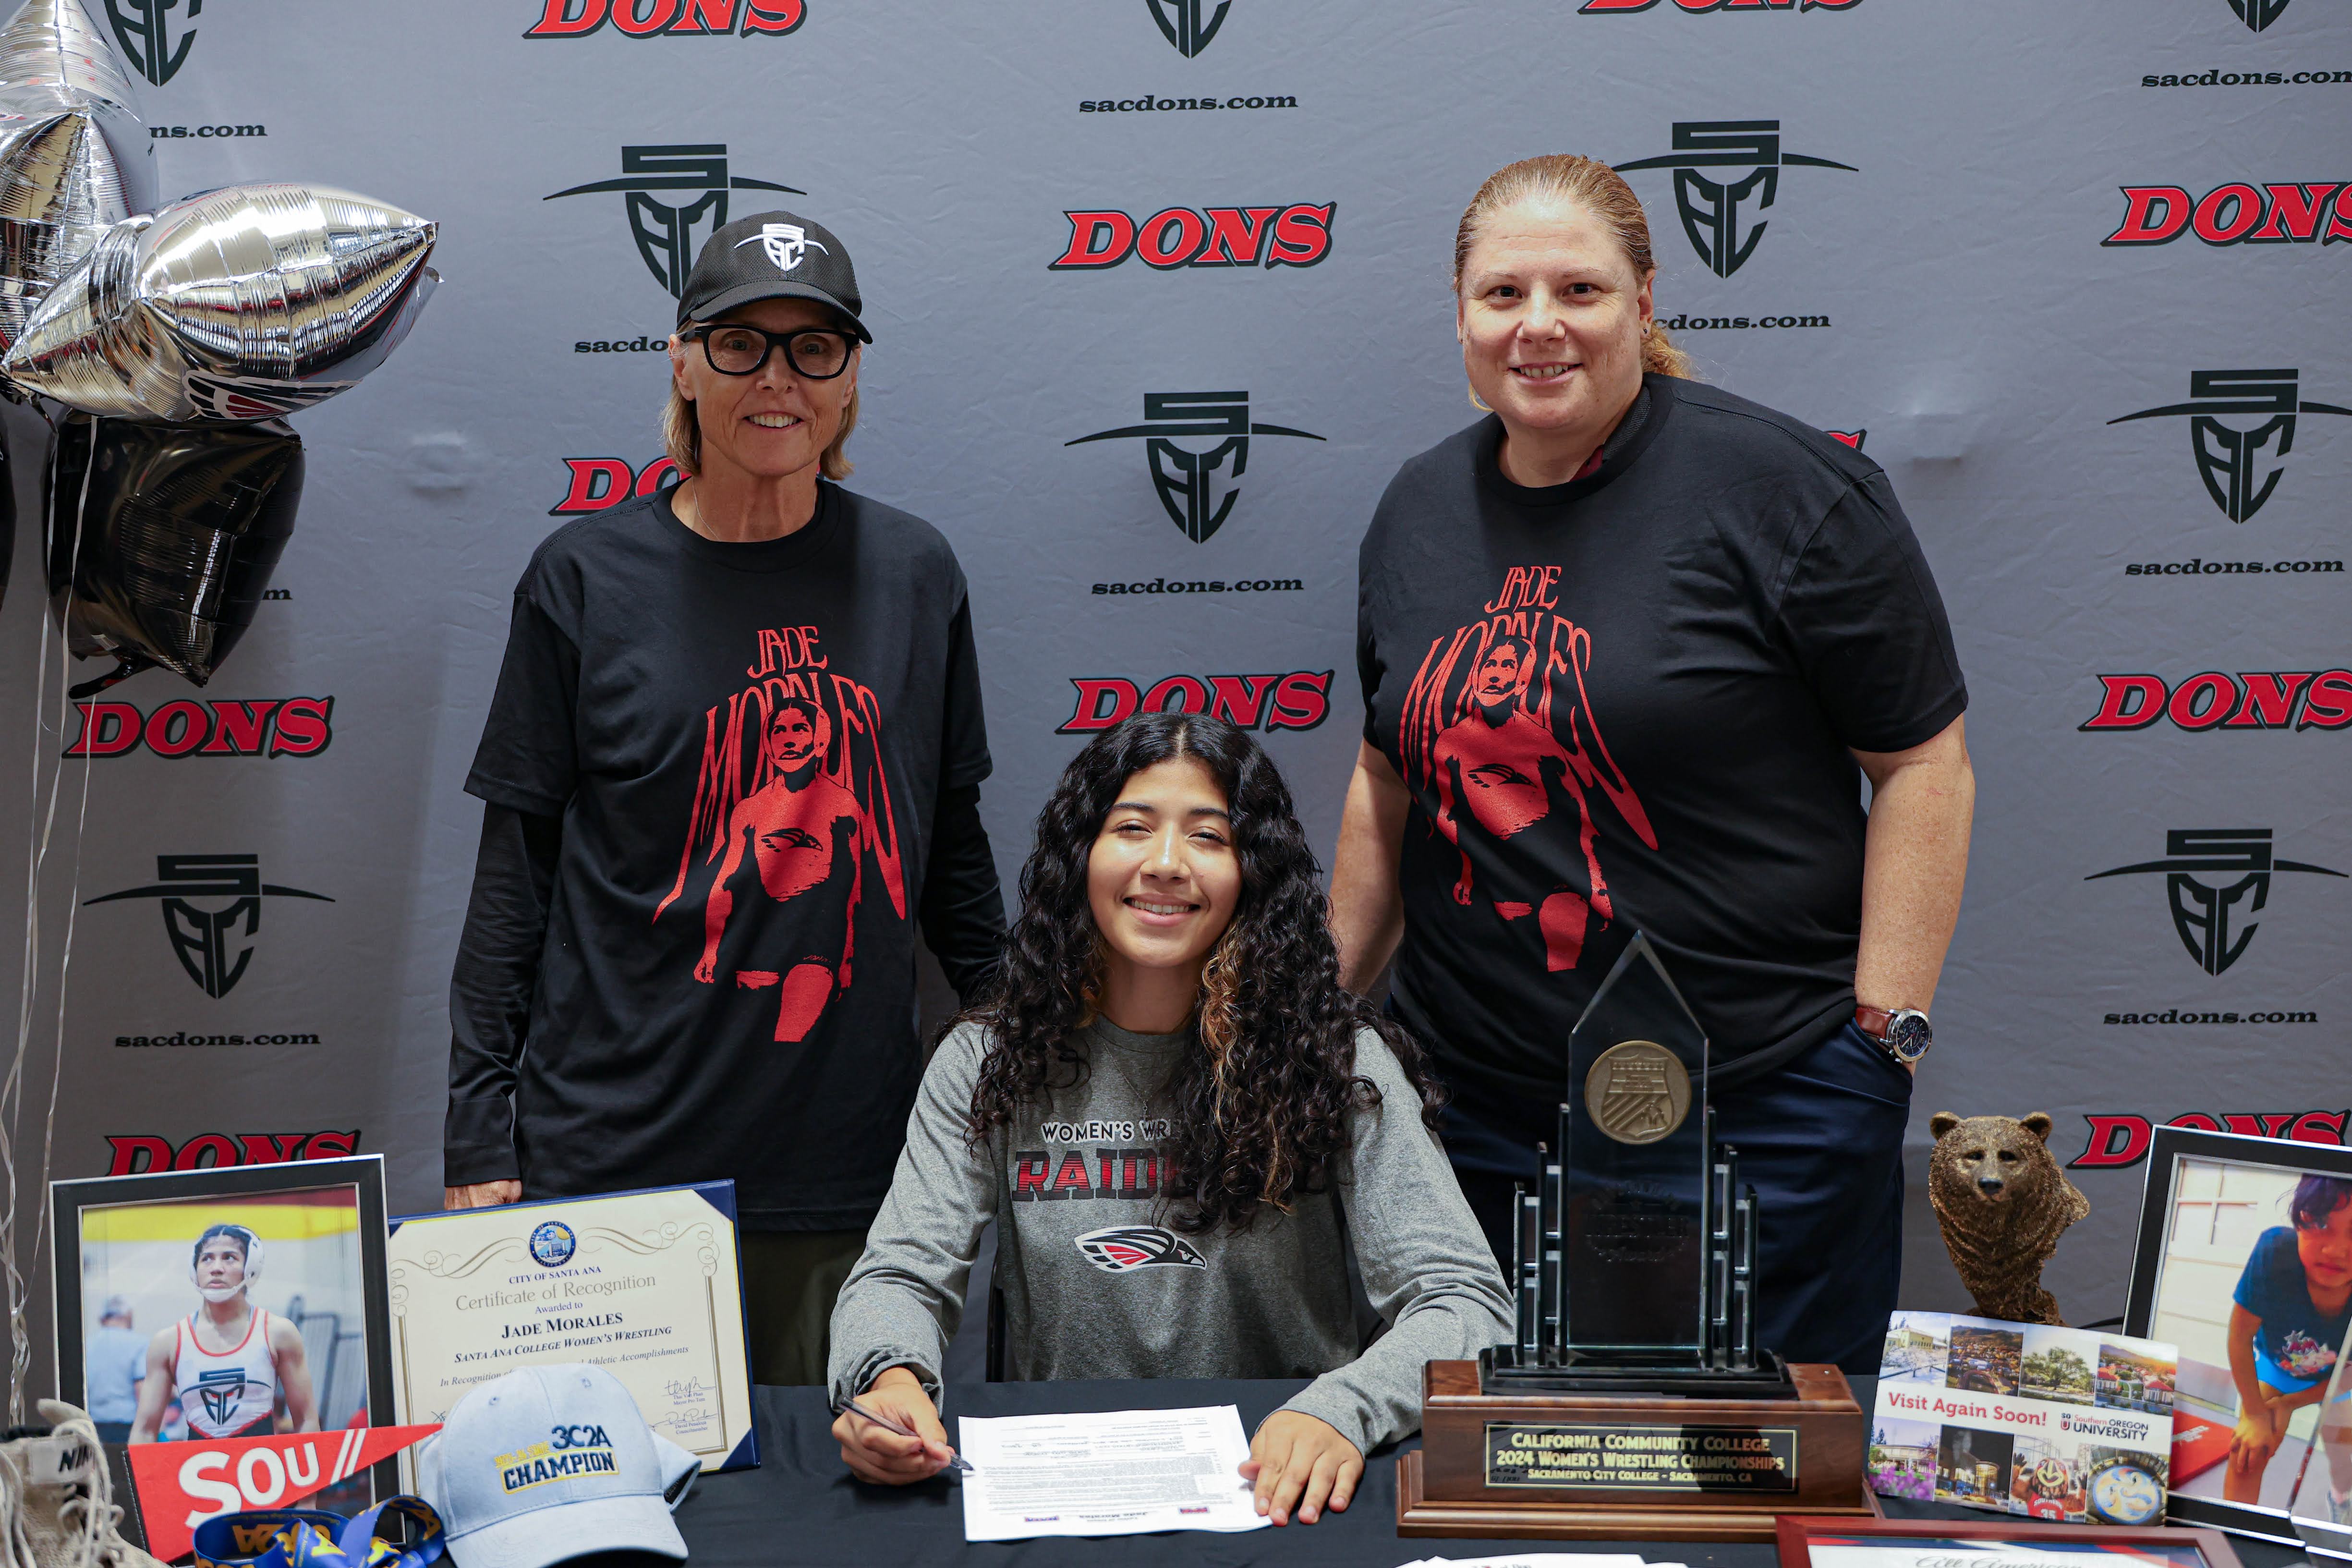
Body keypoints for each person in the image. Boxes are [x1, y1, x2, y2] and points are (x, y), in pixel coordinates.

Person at [1330, 155, 1974, 1374]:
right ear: (1460, 316)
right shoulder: (1416, 509)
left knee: (1749, 1468)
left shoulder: (1789, 492)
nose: (1538, 326)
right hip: (1472, 1124)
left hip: (1761, 1112)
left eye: (1577, 289)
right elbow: (1386, 779)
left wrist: (1880, 1040)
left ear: (1641, 299)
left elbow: (1922, 766)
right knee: (1496, 1472)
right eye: (1502, 294)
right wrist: (1319, 1011)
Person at [443, 210, 1006, 1385]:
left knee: (839, 1481)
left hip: (844, 1169)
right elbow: (515, 876)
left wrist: (1012, 1032)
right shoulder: (584, 580)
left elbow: (948, 843)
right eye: (741, 343)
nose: (777, 379)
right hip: (616, 1163)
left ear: (849, 381)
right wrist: (480, 1131)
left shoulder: (916, 574)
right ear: (683, 362)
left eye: (814, 349)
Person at [828, 714, 1512, 1526]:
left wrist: (1342, 1409)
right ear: (1080, 855)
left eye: (1207, 837)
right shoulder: (988, 1059)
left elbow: (1466, 1303)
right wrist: (888, 1377)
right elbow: (899, 1274)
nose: (1164, 863)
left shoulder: (1335, 1059)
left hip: (1280, 1490)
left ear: (1252, 871)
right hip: (1064, 1499)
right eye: (1132, 828)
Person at [2225, 1174, 2352, 1503]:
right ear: (2299, 1218)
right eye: (2321, 1223)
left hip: (2339, 1377)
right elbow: (2240, 1336)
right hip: (2276, 1366)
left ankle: (2340, 1496)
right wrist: (2256, 1414)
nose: (2336, 1250)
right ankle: (2229, 1531)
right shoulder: (2275, 1252)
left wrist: (2290, 1403)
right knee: (2248, 1451)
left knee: (2344, 1457)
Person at [129, 1225, 316, 1441]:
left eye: (229, 1258)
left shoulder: (278, 1333)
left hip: (260, 1462)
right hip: (198, 1464)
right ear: (194, 1270)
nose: (216, 1268)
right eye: (207, 1259)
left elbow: (307, 1421)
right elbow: (144, 1431)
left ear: (251, 1267)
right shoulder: (169, 1343)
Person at [82, 1296, 145, 1444]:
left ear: (102, 1319)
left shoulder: (87, 1344)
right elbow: (142, 1391)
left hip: (93, 1427)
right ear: (129, 1317)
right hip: (127, 1428)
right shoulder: (140, 1344)